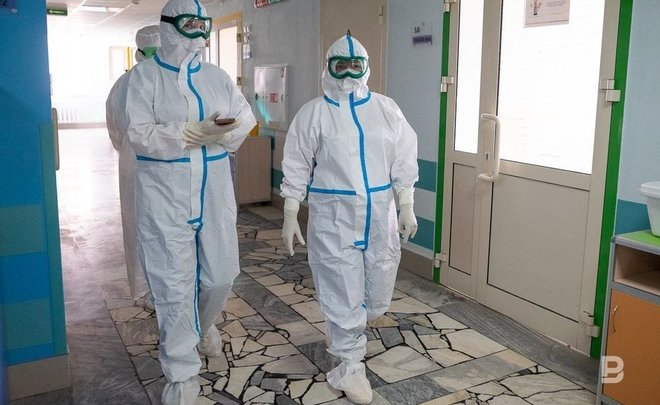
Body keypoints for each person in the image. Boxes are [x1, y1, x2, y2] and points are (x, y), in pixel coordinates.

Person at [124, 0, 256, 403]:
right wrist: (187, 133)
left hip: (213, 191)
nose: (198, 33)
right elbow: (138, 133)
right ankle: (181, 376)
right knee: (173, 284)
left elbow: (246, 117)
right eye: (189, 24)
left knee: (221, 276)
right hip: (165, 194)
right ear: (169, 27)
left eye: (203, 25)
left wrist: (223, 133)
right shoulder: (144, 77)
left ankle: (201, 324)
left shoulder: (216, 77)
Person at [280, 34, 419, 404]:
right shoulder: (314, 113)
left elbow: (404, 157)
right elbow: (296, 163)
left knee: (376, 294)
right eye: (340, 65)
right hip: (334, 218)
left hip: (380, 214)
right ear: (328, 68)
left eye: (355, 65)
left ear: (366, 68)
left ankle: (344, 329)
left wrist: (406, 203)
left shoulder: (386, 109)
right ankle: (349, 365)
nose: (348, 73)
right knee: (341, 286)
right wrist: (291, 211)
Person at [106, 25, 160, 310]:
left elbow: (115, 128)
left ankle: (147, 291)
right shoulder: (175, 81)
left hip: (134, 161)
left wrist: (128, 149)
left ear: (138, 52)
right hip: (163, 164)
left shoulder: (124, 83)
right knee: (163, 229)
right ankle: (164, 290)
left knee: (139, 227)